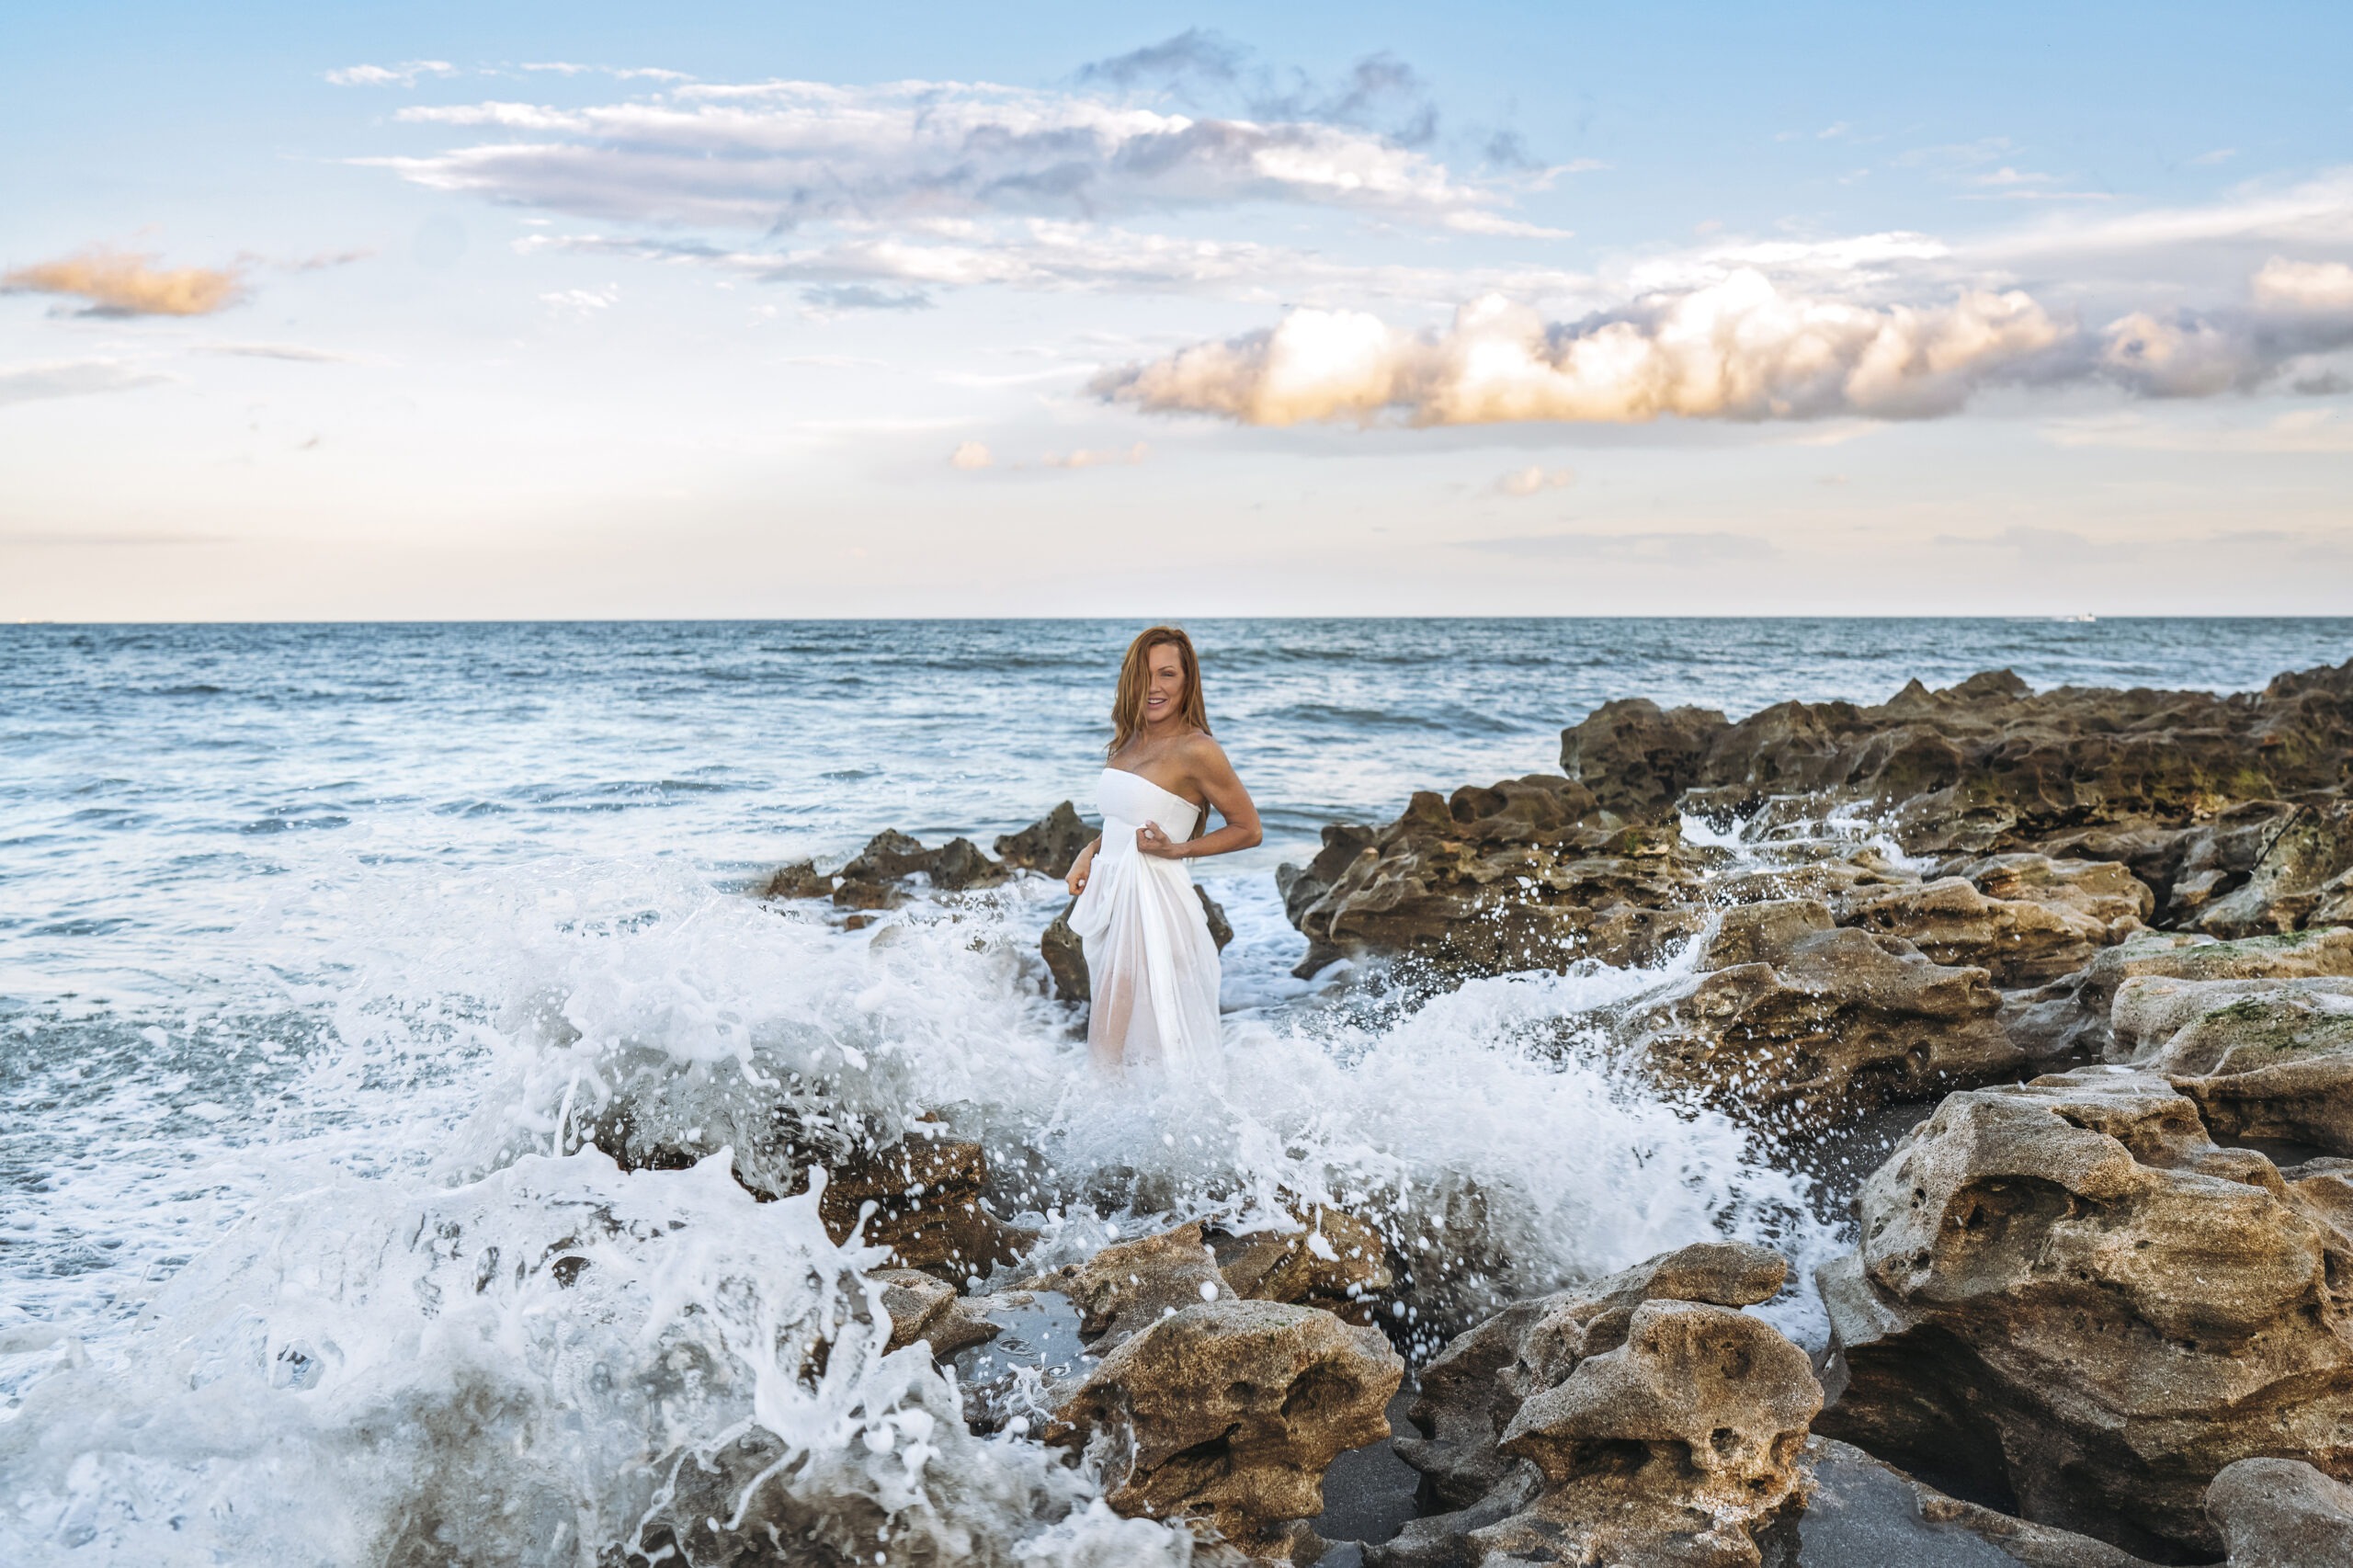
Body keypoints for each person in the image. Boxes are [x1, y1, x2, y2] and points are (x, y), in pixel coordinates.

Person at [1063, 625, 1262, 1076]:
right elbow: (1121, 822)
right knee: (1116, 1043)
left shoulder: (1198, 750)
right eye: (1145, 675)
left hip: (1155, 907)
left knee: (1141, 1046)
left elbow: (1249, 829)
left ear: (1187, 681)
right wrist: (1088, 852)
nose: (1155, 688)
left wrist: (1178, 850)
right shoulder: (1128, 740)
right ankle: (1114, 1137)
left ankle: (1132, 1137)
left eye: (1168, 674)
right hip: (1115, 903)